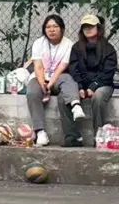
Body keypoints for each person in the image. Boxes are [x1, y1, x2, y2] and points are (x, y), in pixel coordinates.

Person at [24, 13, 80, 146]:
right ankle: (40, 132)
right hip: (40, 77)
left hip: (58, 77)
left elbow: (62, 67)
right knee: (32, 92)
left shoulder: (69, 44)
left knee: (67, 79)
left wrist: (50, 85)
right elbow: (38, 66)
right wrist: (42, 83)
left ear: (62, 28)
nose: (51, 30)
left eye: (55, 26)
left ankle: (75, 105)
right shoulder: (38, 43)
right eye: (48, 27)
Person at [66, 12, 117, 143]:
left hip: (103, 84)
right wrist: (80, 87)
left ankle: (98, 136)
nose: (87, 29)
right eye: (85, 27)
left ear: (98, 28)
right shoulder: (76, 48)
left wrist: (94, 86)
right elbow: (74, 69)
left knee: (98, 97)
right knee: (64, 97)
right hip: (81, 84)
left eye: (91, 26)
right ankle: (73, 137)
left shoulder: (109, 49)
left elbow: (108, 72)